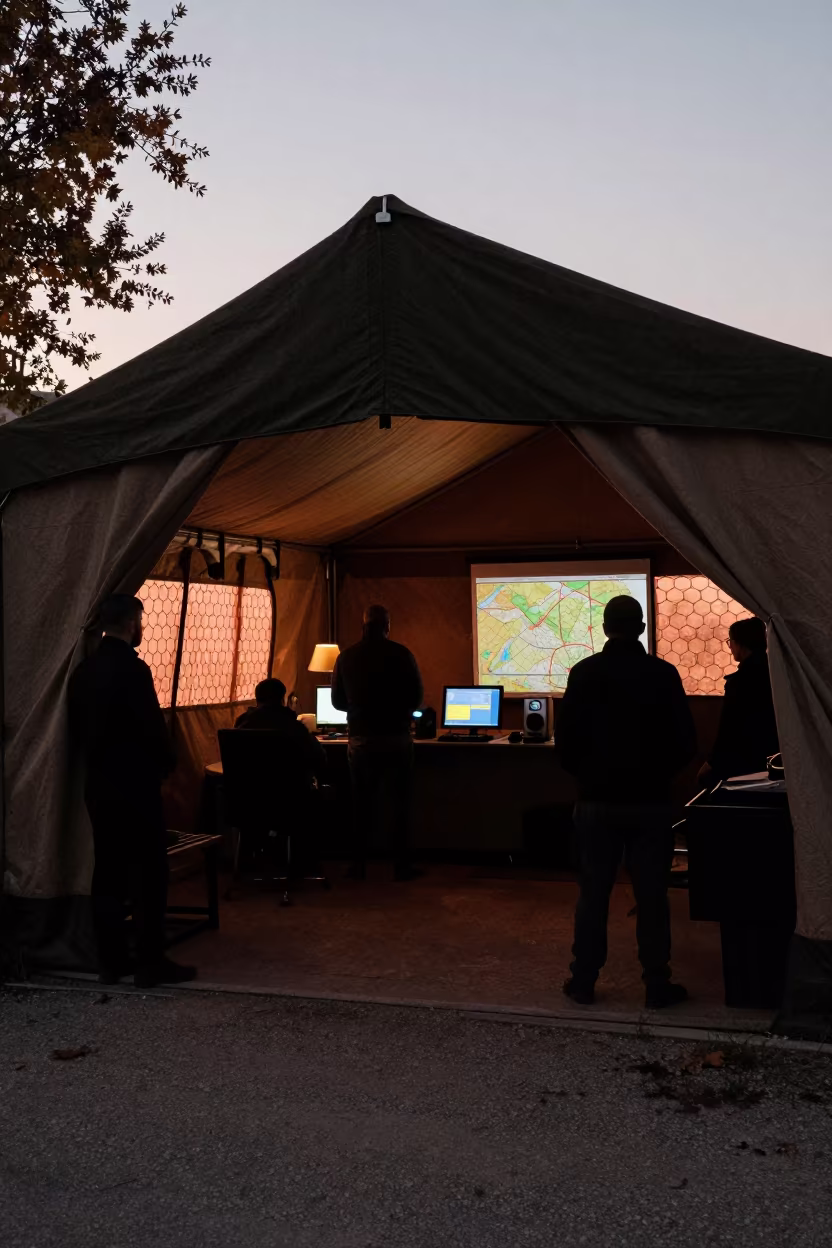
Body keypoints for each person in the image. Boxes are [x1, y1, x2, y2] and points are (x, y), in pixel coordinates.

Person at [556, 595, 697, 1008]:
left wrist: (590, 777)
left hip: (596, 802)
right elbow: (686, 741)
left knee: (593, 893)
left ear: (604, 628)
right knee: (652, 895)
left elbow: (565, 746)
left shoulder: (583, 674)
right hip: (651, 802)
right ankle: (656, 983)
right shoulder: (663, 673)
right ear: (640, 627)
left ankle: (583, 980)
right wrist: (657, 776)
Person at [68, 594, 196, 989]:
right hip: (136, 785)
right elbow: (150, 727)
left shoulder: (83, 671)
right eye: (141, 621)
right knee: (148, 874)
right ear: (131, 622)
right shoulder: (133, 671)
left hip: (99, 786)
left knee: (107, 872)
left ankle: (111, 962)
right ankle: (150, 961)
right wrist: (169, 764)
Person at [330, 605, 424, 880]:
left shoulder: (346, 657)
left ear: (363, 626)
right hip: (396, 738)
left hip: (361, 741)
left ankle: (358, 866)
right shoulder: (402, 654)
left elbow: (337, 702)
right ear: (387, 626)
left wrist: (359, 708)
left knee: (361, 805)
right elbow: (417, 697)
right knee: (399, 804)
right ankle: (402, 866)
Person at [699, 616, 779, 783]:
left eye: (731, 641)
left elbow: (728, 730)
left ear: (741, 644)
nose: (730, 647)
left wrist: (711, 763)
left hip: (743, 762)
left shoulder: (739, 682)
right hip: (775, 757)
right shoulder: (777, 675)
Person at [235, 677, 327, 783]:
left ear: (257, 700)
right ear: (282, 700)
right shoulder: (294, 727)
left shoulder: (242, 724)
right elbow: (319, 759)